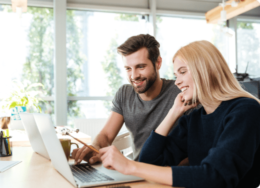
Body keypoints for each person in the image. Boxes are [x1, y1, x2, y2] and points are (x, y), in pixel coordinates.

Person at [99, 40, 260, 188]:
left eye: (183, 72)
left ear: (204, 70)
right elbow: (150, 161)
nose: (177, 82)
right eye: (176, 75)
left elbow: (215, 176)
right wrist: (173, 112)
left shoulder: (245, 110)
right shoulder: (193, 119)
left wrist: (130, 166)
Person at [72, 34, 182, 164]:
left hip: (168, 175)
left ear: (158, 63)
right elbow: (106, 135)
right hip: (135, 173)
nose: (134, 76)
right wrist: (95, 146)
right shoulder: (125, 93)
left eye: (141, 67)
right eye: (128, 69)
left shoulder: (180, 93)